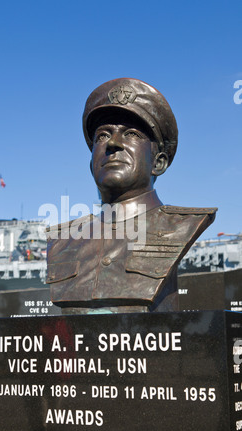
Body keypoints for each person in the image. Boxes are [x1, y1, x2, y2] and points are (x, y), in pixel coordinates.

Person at [46, 78, 217, 314]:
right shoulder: (62, 239)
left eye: (132, 134)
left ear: (159, 162)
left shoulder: (181, 226)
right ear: (91, 162)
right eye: (102, 136)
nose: (113, 144)